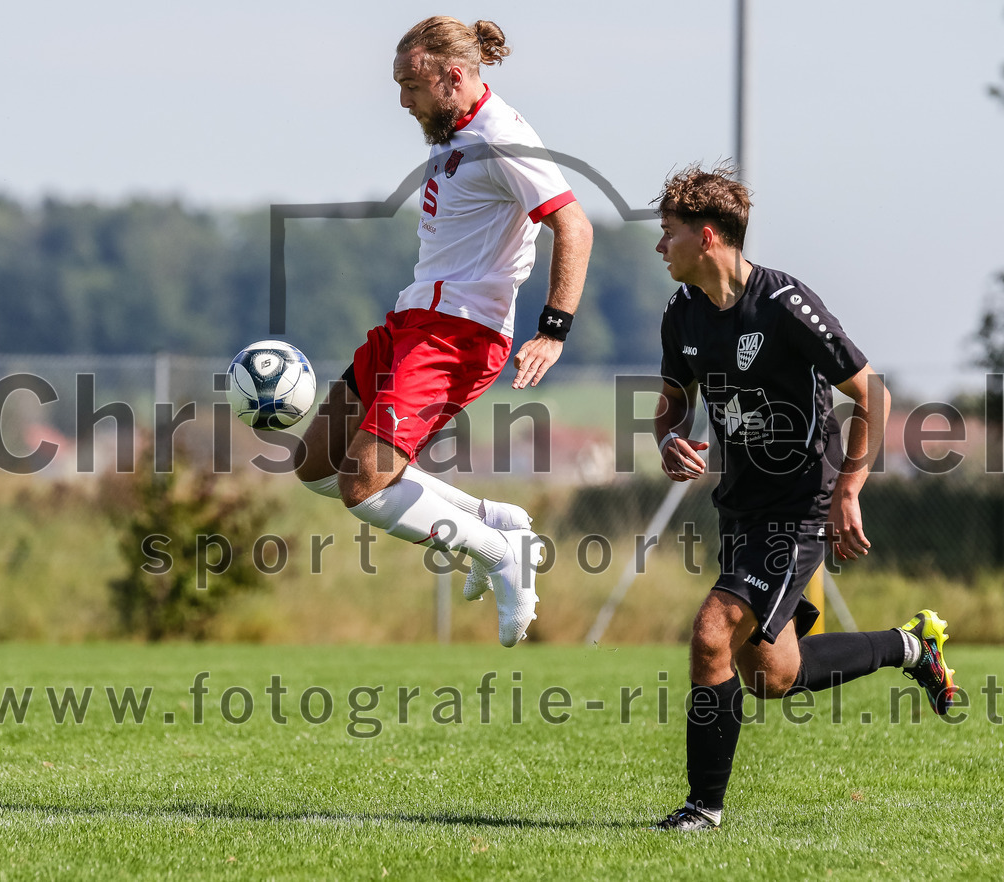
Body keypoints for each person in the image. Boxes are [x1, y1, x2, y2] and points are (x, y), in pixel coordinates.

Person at [649, 162, 957, 831]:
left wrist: (849, 488)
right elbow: (671, 402)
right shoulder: (682, 314)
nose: (659, 245)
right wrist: (668, 438)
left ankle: (703, 809)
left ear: (707, 237)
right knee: (772, 675)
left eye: (668, 232)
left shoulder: (784, 304)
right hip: (739, 506)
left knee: (711, 635)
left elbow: (872, 393)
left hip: (798, 508)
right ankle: (911, 647)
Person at [294, 17, 593, 647]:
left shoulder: (503, 139)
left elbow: (575, 225)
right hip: (411, 320)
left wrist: (553, 329)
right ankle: (493, 521)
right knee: (316, 462)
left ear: (452, 77)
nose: (404, 101)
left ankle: (500, 553)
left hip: (458, 334)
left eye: (411, 86)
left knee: (361, 485)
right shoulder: (452, 128)